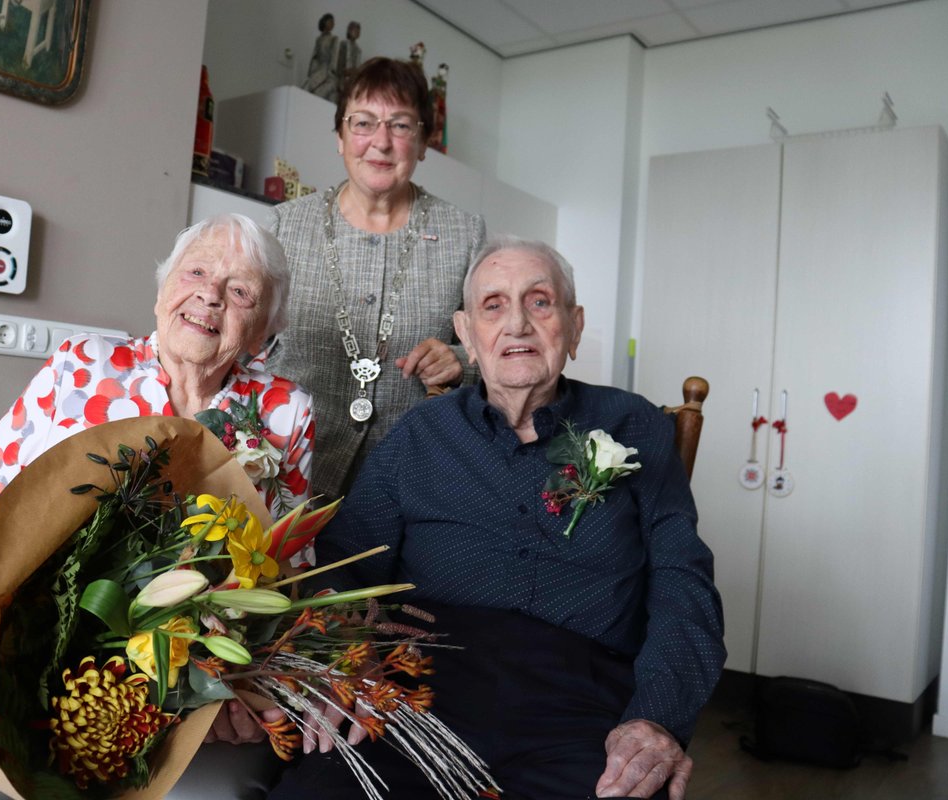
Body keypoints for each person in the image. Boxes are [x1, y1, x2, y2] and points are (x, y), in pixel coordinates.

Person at [268, 238, 726, 800]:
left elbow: (685, 583)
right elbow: (343, 562)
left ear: (574, 326)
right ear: (466, 333)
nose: (517, 324)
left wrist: (655, 718)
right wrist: (347, 660)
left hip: (583, 708)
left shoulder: (634, 426)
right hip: (418, 691)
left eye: (539, 302)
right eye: (493, 305)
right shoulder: (421, 434)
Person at [0, 213, 315, 799]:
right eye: (195, 272)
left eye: (240, 291)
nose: (209, 296)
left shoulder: (283, 412)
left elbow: (291, 567)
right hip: (15, 657)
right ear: (163, 289)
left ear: (267, 326)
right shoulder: (82, 368)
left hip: (180, 693)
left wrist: (244, 682)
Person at [255, 56, 486, 501]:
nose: (380, 142)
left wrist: (462, 361)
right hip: (287, 469)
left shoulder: (465, 235)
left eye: (400, 125)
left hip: (412, 479)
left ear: (421, 142)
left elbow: (495, 344)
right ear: (340, 137)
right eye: (363, 123)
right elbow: (247, 344)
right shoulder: (284, 226)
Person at [300, 12, 339, 102]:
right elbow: (314, 56)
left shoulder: (334, 39)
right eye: (330, 22)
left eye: (333, 22)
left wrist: (331, 71)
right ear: (325, 22)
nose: (332, 24)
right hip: (318, 67)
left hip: (326, 68)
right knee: (309, 83)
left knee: (313, 85)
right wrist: (311, 71)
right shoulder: (319, 39)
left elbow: (334, 56)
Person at [335, 20, 361, 96]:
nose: (357, 33)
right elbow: (339, 63)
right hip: (342, 79)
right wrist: (344, 72)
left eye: (358, 31)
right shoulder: (344, 44)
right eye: (355, 30)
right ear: (349, 31)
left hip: (351, 80)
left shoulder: (358, 49)